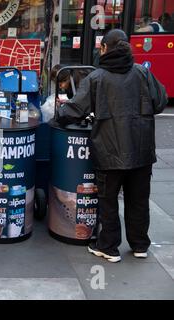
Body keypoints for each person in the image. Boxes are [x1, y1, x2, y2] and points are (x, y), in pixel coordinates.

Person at [56, 29, 168, 263]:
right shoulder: (142, 73)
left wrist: (58, 115)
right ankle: (139, 245)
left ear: (106, 48)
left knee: (108, 201)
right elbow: (160, 101)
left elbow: (76, 110)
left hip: (109, 151)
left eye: (101, 47)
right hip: (141, 149)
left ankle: (109, 246)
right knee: (138, 199)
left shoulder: (97, 78)